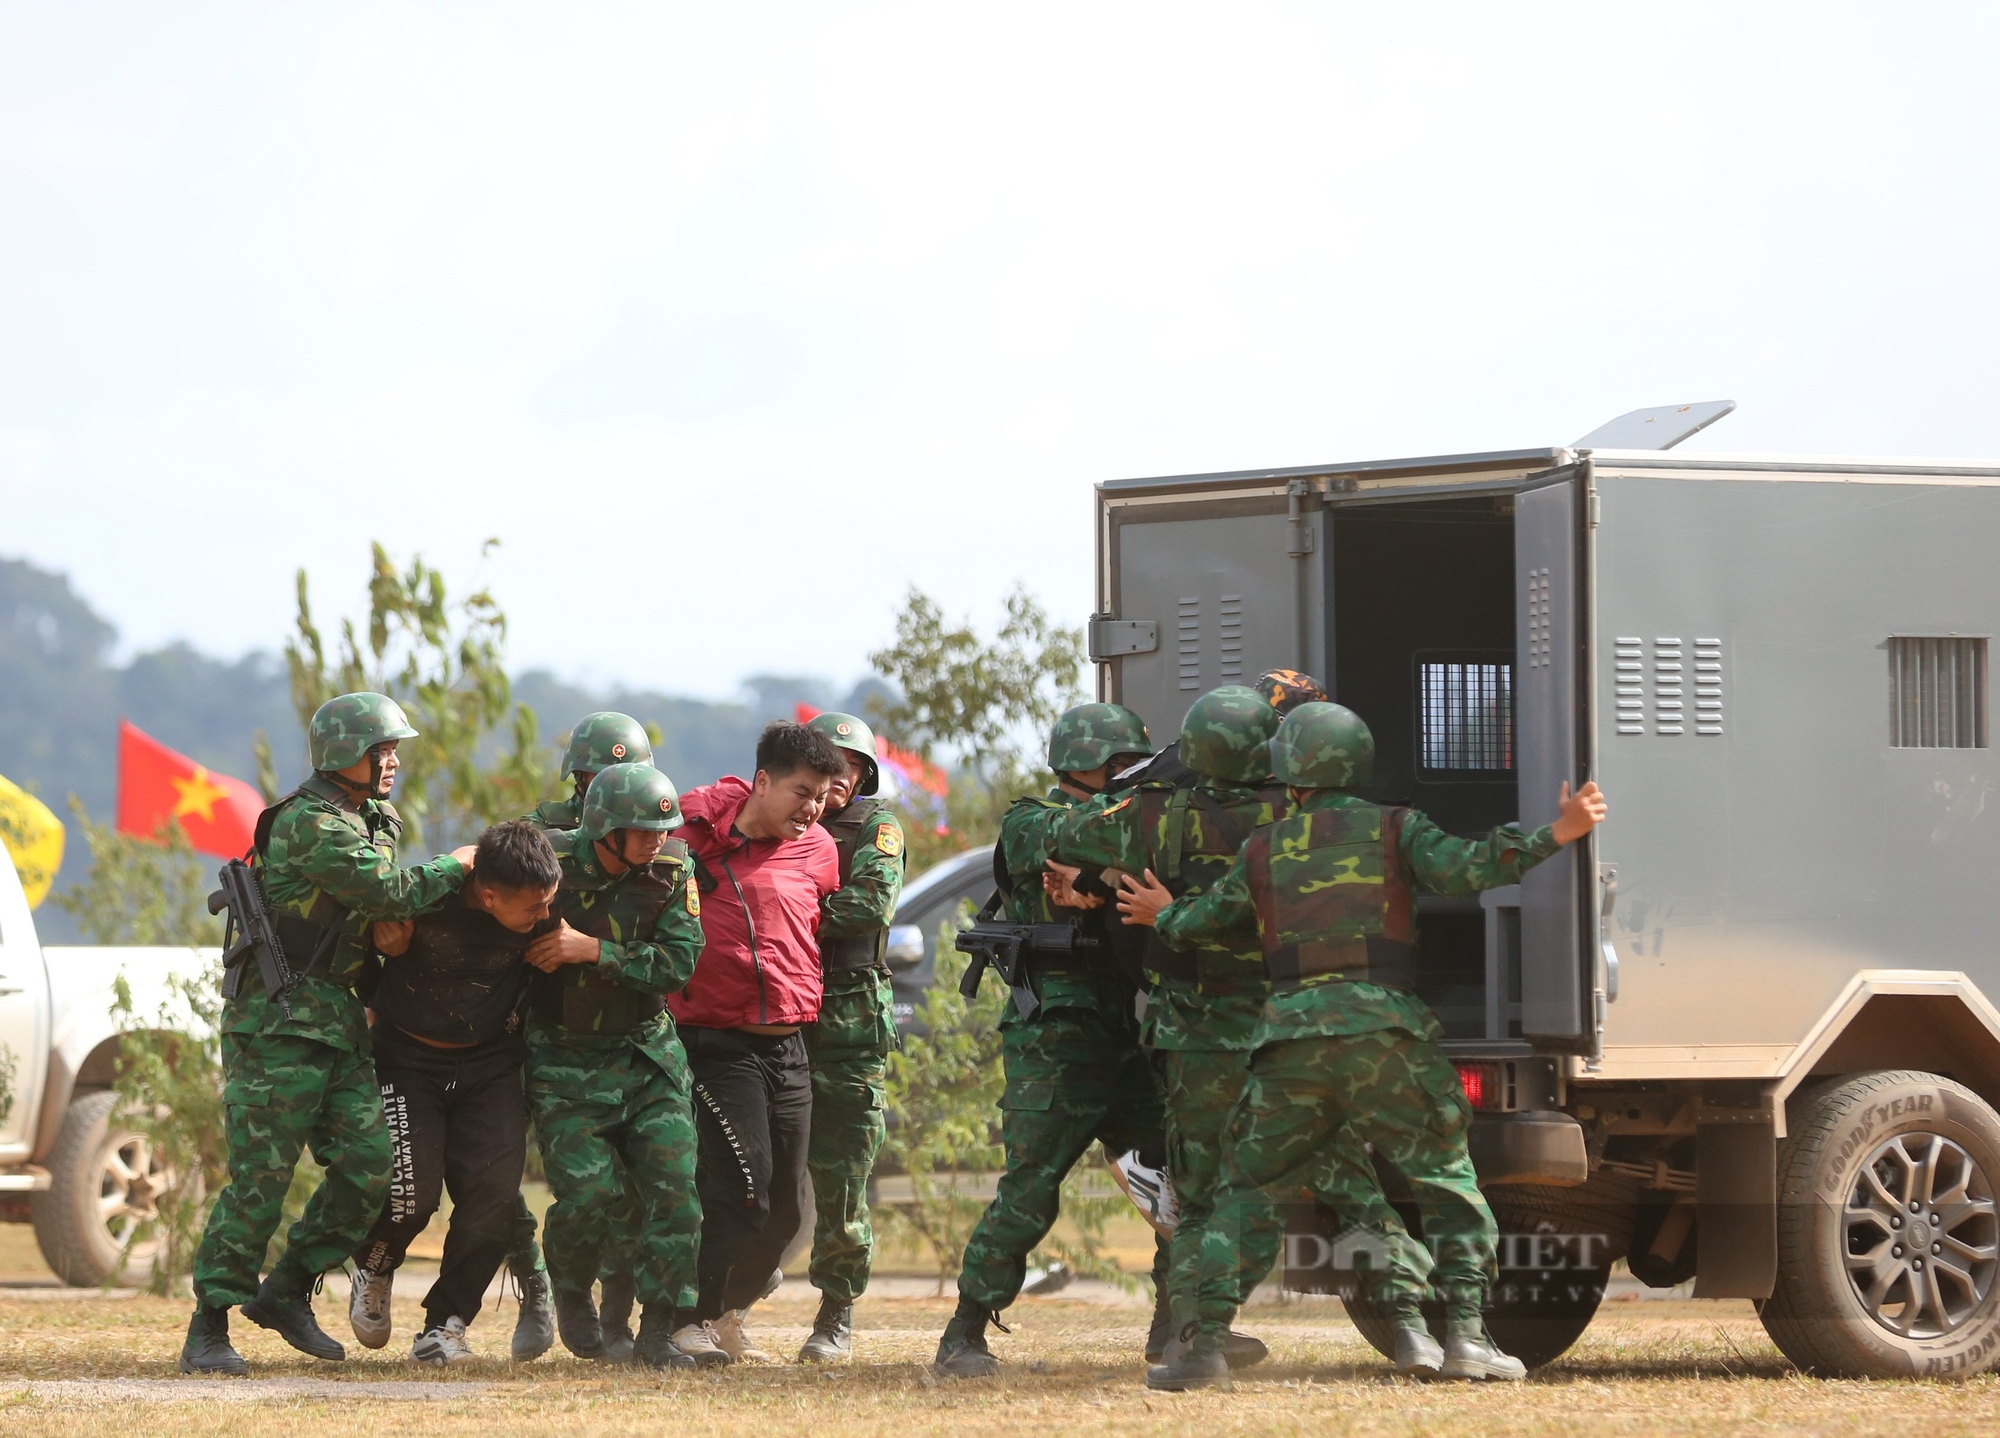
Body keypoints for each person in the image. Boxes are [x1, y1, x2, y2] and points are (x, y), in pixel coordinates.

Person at [1121, 701, 1609, 1388]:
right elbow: (1469, 867)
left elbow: (1202, 922)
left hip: (1288, 1041)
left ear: (1290, 772)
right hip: (1385, 1036)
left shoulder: (1262, 848)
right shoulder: (1396, 829)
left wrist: (1160, 911)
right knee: (1445, 1180)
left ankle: (1201, 1353)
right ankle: (1466, 1337)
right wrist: (1558, 833)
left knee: (1245, 1194)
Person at [180, 693, 474, 1376]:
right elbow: (390, 894)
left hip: (337, 1021)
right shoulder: (308, 825)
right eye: (384, 749)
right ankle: (209, 1323)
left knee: (372, 1168)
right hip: (278, 1022)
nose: (394, 761)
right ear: (348, 754)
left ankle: (285, 1292)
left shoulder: (373, 817)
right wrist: (457, 865)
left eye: (395, 749)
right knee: (261, 1177)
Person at [1044, 685, 1299, 1381]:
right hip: (1283, 1025)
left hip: (1190, 1030)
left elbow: (1067, 834)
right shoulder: (1295, 813)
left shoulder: (1154, 810)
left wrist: (1105, 870)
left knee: (1200, 1190)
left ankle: (1194, 1336)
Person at [932, 702, 1164, 1379]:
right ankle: (964, 1333)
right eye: (1123, 763)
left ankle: (1178, 1326)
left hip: (1122, 1026)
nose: (1132, 776)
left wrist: (1114, 881)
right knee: (1031, 1187)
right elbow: (1088, 838)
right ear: (1085, 763)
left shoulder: (1125, 818)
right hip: (1055, 1035)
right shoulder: (1032, 821)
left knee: (1176, 1175)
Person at [346, 821, 561, 1364]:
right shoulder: (427, 897)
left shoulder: (542, 898)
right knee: (410, 1195)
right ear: (488, 895)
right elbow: (357, 944)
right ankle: (374, 1265)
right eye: (532, 909)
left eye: (548, 904)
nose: (544, 917)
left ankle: (445, 1325)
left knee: (491, 1200)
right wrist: (384, 945)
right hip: (407, 1059)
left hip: (489, 1064)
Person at [524, 762, 711, 1370]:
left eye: (663, 829)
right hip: (563, 1058)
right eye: (643, 830)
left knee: (675, 1193)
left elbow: (679, 963)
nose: (658, 839)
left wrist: (593, 950)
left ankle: (658, 1328)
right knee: (588, 1196)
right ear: (605, 827)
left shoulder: (673, 869)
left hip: (646, 1057)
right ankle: (572, 1291)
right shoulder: (547, 861)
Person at [668, 721, 845, 1363]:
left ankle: (724, 1316)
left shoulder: (819, 847)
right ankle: (685, 1321)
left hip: (789, 1046)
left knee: (789, 1214)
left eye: (823, 794)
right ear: (762, 781)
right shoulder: (693, 839)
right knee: (745, 1189)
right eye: (802, 791)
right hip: (717, 1043)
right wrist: (712, 815)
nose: (813, 807)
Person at [512, 710, 656, 1364]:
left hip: (633, 1039)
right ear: (578, 779)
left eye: (627, 775)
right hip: (556, 1036)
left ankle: (619, 1313)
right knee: (582, 1187)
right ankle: (564, 1288)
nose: (613, 789)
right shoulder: (543, 838)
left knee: (637, 1190)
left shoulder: (654, 846)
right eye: (600, 775)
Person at [797, 712, 906, 1363]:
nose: (836, 775)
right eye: (824, 762)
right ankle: (724, 1302)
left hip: (848, 1026)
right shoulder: (777, 825)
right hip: (774, 1020)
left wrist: (785, 910)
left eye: (848, 765)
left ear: (863, 774)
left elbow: (870, 904)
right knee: (751, 1176)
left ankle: (835, 1312)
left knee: (840, 1182)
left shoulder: (876, 826)